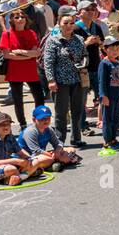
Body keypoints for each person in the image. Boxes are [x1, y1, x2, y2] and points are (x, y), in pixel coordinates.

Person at [44, 8, 88, 149]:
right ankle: (59, 141)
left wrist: (84, 63)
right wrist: (51, 80)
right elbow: (48, 62)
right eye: (66, 23)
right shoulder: (53, 41)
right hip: (60, 81)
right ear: (59, 24)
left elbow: (85, 55)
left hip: (77, 80)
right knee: (61, 113)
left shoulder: (79, 40)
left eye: (71, 23)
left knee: (77, 111)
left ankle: (76, 139)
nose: (69, 25)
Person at [0, 111, 53, 185]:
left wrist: (29, 160)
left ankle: (16, 178)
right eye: (2, 125)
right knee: (11, 169)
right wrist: (16, 161)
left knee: (36, 161)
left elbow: (21, 152)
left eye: (8, 124)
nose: (6, 127)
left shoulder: (9, 136)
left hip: (5, 164)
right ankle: (21, 175)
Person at [21, 104, 81, 170]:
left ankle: (59, 163)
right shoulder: (30, 131)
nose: (46, 121)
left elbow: (58, 143)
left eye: (48, 118)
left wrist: (57, 151)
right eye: (42, 119)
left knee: (71, 149)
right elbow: (36, 151)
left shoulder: (49, 129)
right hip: (28, 156)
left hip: (43, 154)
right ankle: (60, 162)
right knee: (45, 159)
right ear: (34, 120)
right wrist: (53, 156)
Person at [98, 35, 119, 150]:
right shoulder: (104, 64)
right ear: (105, 49)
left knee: (116, 119)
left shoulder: (118, 63)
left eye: (117, 49)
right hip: (108, 96)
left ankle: (114, 139)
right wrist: (103, 95)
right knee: (108, 119)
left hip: (117, 95)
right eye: (112, 49)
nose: (115, 51)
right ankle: (107, 141)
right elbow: (101, 81)